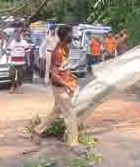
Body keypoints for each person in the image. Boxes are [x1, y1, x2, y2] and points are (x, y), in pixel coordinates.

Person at [32, 25, 85, 154]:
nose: (73, 36)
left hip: (63, 85)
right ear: (65, 36)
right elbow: (54, 74)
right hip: (59, 88)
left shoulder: (65, 48)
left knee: (56, 111)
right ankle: (73, 143)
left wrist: (71, 79)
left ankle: (38, 130)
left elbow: (64, 68)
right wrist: (67, 85)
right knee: (70, 114)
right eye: (71, 34)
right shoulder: (58, 52)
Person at [7, 29, 31, 94]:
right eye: (15, 35)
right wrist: (7, 61)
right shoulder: (11, 43)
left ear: (20, 35)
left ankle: (19, 87)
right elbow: (8, 52)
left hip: (21, 61)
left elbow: (27, 52)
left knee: (20, 75)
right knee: (11, 74)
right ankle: (12, 86)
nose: (16, 36)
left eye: (18, 34)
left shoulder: (24, 43)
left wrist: (28, 61)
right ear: (14, 35)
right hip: (12, 62)